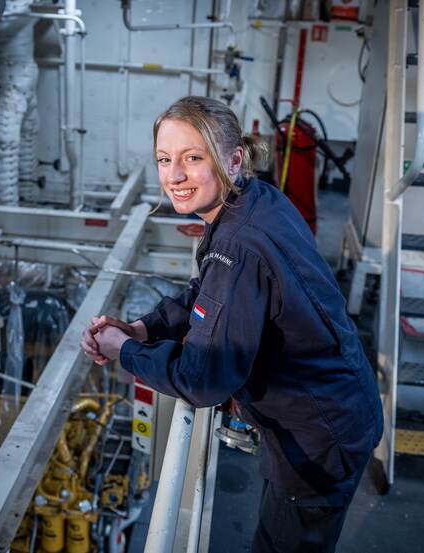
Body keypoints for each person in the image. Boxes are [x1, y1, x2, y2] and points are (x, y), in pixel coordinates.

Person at [80, 96, 383, 553]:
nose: (174, 176)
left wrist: (125, 350)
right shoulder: (255, 201)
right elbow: (209, 294)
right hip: (330, 416)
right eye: (165, 159)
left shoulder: (238, 246)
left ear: (234, 158)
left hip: (318, 440)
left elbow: (202, 381)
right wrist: (144, 328)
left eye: (193, 158)